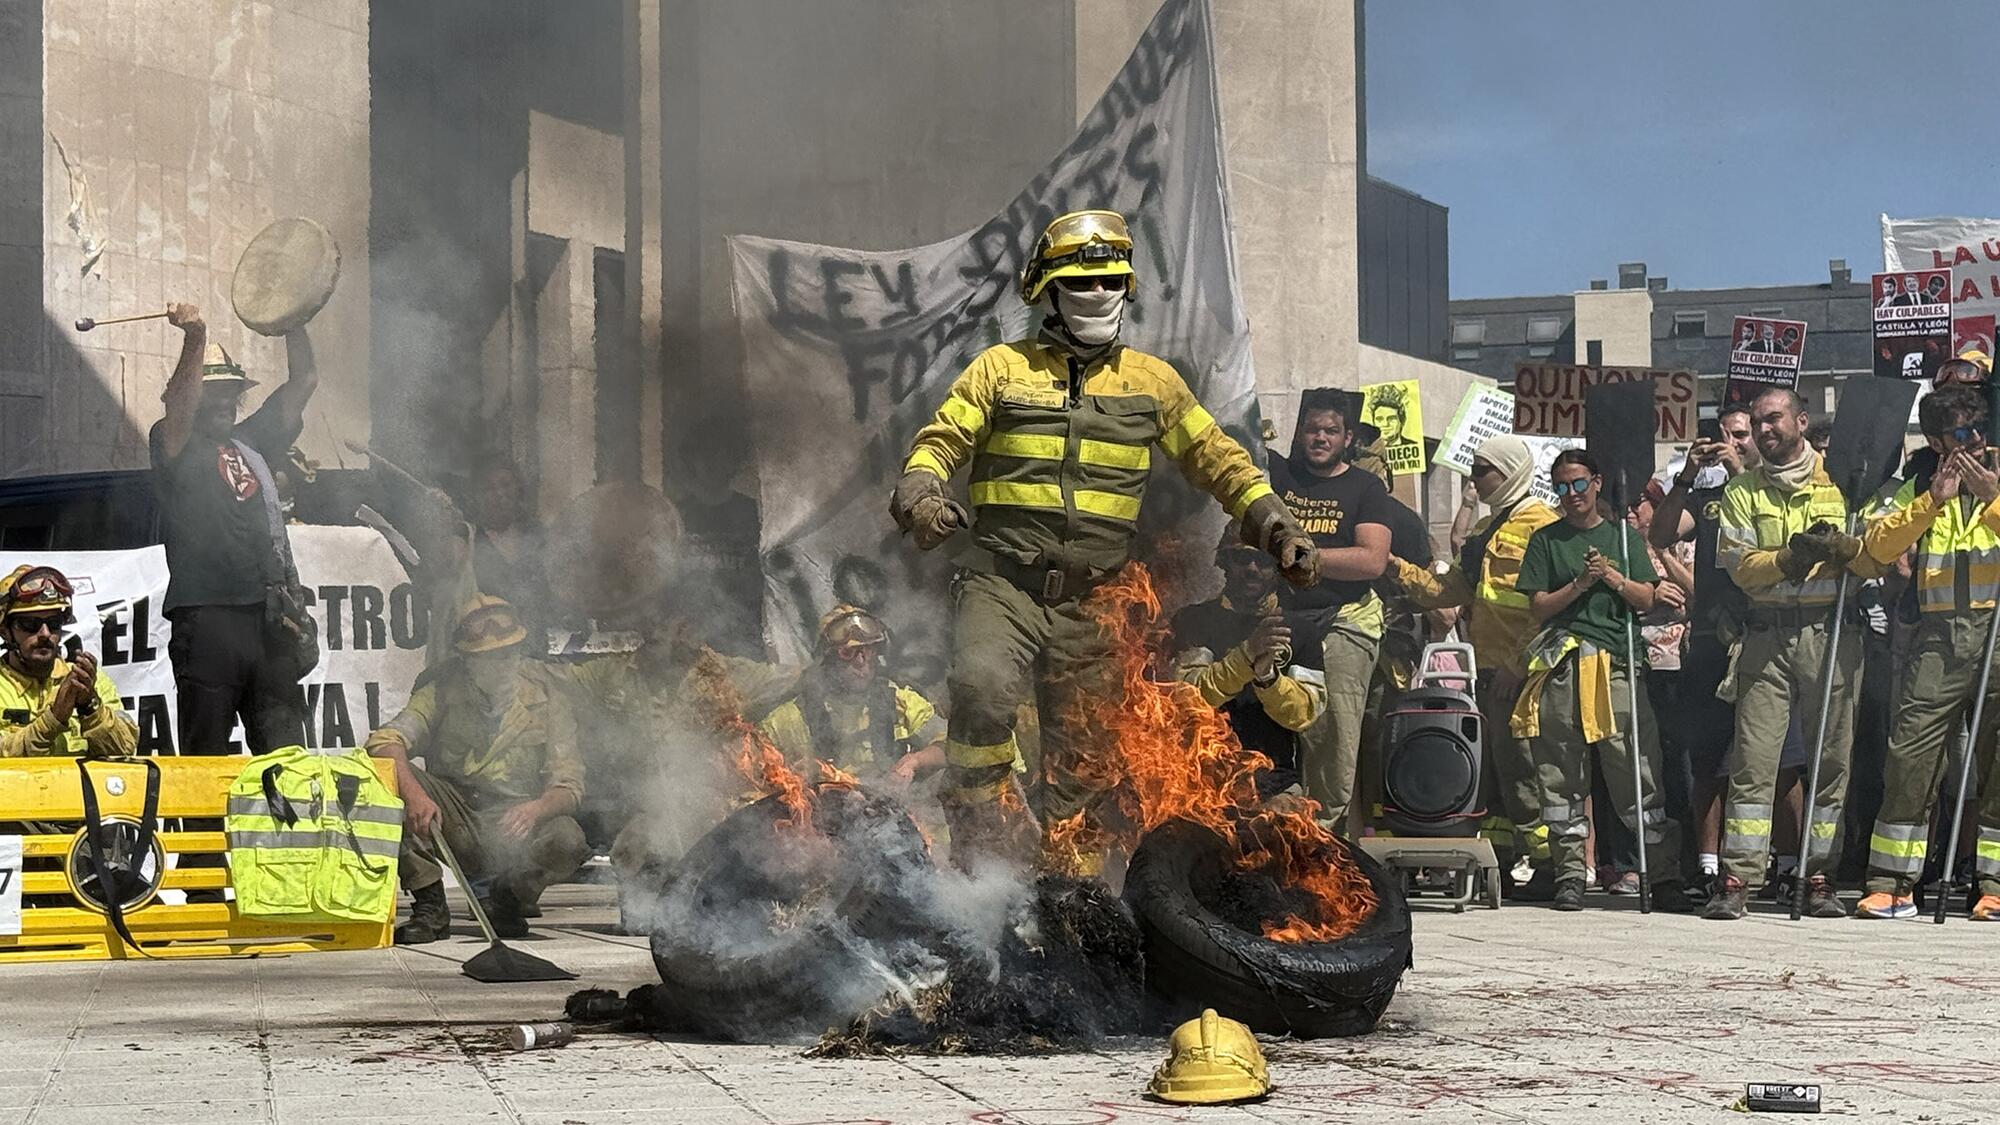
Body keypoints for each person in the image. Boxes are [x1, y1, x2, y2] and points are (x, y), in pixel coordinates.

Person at [889, 208, 1316, 864]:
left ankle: (1071, 886)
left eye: (1112, 282)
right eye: (1082, 283)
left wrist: (1275, 523)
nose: (1099, 294)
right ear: (1047, 290)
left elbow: (1218, 458)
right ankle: (976, 851)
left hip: (1096, 596)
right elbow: (943, 437)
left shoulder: (1153, 383)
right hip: (1003, 581)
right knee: (980, 686)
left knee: (1086, 751)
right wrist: (921, 491)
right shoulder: (1000, 369)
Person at [1704, 388, 1874, 920]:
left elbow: (1876, 560)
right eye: (1756, 422)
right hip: (1767, 635)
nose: (1763, 428)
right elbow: (1740, 567)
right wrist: (1789, 556)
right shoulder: (1742, 491)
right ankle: (1739, 881)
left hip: (1831, 632)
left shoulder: (1845, 480)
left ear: (1801, 420)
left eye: (1773, 418)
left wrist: (1849, 550)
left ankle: (1818, 876)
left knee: (1830, 761)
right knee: (1753, 763)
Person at [1510, 449, 1689, 912]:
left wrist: (1608, 575)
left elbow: (1646, 597)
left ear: (1597, 482)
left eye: (1578, 484)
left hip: (1615, 667)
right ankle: (1569, 873)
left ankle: (1661, 872)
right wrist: (1579, 585)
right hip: (1563, 668)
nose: (1571, 495)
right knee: (1561, 775)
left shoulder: (1624, 539)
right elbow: (1539, 607)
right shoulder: (1546, 540)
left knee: (1637, 771)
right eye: (1562, 487)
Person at [1387, 434, 1559, 891]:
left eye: (1483, 471)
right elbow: (1453, 592)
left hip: (1525, 670)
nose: (1474, 480)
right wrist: (1396, 568)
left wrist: (1518, 665)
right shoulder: (1484, 531)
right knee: (1499, 770)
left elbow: (1546, 610)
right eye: (1472, 470)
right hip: (1487, 669)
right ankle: (1503, 857)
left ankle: (1548, 866)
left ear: (1511, 472)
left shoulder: (1543, 525)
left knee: (1529, 770)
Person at [1855, 386, 2000, 920]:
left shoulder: (1998, 473)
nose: (1975, 442)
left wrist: (1991, 497)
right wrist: (1931, 501)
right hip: (1938, 638)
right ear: (1938, 442)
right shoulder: (1914, 485)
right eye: (1961, 435)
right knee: (1910, 754)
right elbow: (1876, 549)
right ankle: (1892, 882)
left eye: (1979, 430)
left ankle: (1994, 883)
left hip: (1998, 630)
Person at [365, 596, 588, 944]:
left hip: (515, 823)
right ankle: (430, 904)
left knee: (567, 839)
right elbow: (386, 741)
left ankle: (507, 900)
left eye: (507, 653)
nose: (500, 665)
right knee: (380, 779)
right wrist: (416, 796)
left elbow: (568, 784)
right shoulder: (440, 690)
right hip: (455, 816)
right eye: (487, 658)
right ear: (467, 660)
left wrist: (536, 809)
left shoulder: (547, 696)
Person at [149, 302, 316, 756]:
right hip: (207, 619)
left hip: (267, 620)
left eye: (232, 390)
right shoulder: (173, 443)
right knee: (205, 757)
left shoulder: (251, 441)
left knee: (286, 758)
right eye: (212, 390)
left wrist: (293, 314)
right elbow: (177, 406)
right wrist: (195, 337)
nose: (224, 400)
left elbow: (303, 383)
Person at [1269, 390, 1392, 831]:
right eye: (1313, 429)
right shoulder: (1278, 476)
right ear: (1300, 432)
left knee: (1330, 737)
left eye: (1331, 431)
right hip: (1279, 619)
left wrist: (1304, 555)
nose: (1320, 438)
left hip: (1342, 621)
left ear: (1347, 438)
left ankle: (1322, 839)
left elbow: (1371, 560)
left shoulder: (1365, 487)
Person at [1650, 404, 1757, 897]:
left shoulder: (1773, 489)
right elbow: (1661, 533)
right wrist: (1688, 477)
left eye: (1741, 435)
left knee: (1782, 762)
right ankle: (1709, 865)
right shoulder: (1709, 496)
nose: (1730, 443)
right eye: (1725, 436)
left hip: (1764, 635)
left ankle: (1786, 862)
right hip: (1713, 641)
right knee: (1709, 759)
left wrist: (1741, 469)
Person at [1168, 525, 1328, 800]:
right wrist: (1245, 657)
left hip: (1273, 787)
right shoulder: (1194, 621)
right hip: (1198, 785)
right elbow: (1188, 700)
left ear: (1279, 568)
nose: (1253, 568)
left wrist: (1268, 678)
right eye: (1242, 559)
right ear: (1225, 563)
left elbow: (1303, 714)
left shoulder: (1300, 631)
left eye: (1264, 561)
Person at [757, 606, 946, 786]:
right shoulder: (793, 717)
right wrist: (791, 775)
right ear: (828, 660)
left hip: (888, 810)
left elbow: (949, 745)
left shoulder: (898, 701)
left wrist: (915, 761)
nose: (861, 662)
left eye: (868, 651)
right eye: (848, 653)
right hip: (823, 813)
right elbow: (751, 766)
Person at [0, 566, 136, 760]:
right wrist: (53, 720)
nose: (45, 634)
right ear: (5, 630)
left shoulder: (88, 681)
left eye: (54, 623)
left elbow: (124, 750)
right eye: (30, 624)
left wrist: (90, 706)